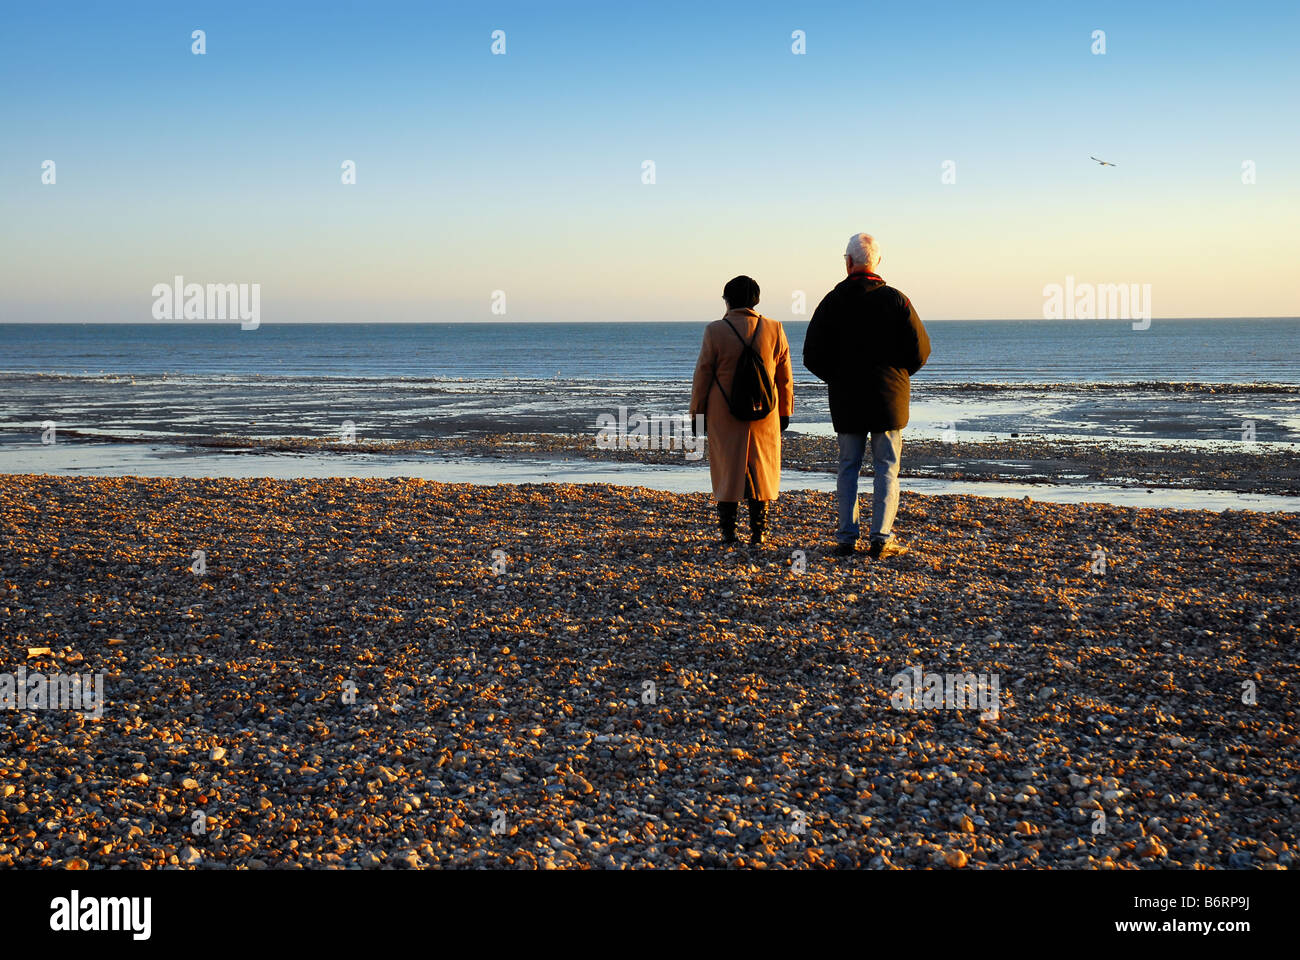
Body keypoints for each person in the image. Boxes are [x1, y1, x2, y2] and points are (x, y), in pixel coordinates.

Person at [803, 233, 931, 559]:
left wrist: (837, 378)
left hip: (847, 400)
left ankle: (847, 538)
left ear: (848, 262)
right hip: (889, 399)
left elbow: (811, 355)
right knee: (887, 467)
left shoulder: (832, 301)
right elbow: (920, 350)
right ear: (877, 262)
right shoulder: (897, 300)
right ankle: (881, 538)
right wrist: (899, 376)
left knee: (848, 467)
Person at [690, 276, 794, 546]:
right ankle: (759, 532)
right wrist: (785, 412)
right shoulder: (774, 328)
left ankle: (728, 533)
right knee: (762, 469)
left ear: (727, 300)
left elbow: (703, 376)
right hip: (765, 413)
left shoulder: (715, 331)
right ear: (756, 300)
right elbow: (784, 378)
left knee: (726, 469)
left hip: (724, 413)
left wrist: (697, 414)